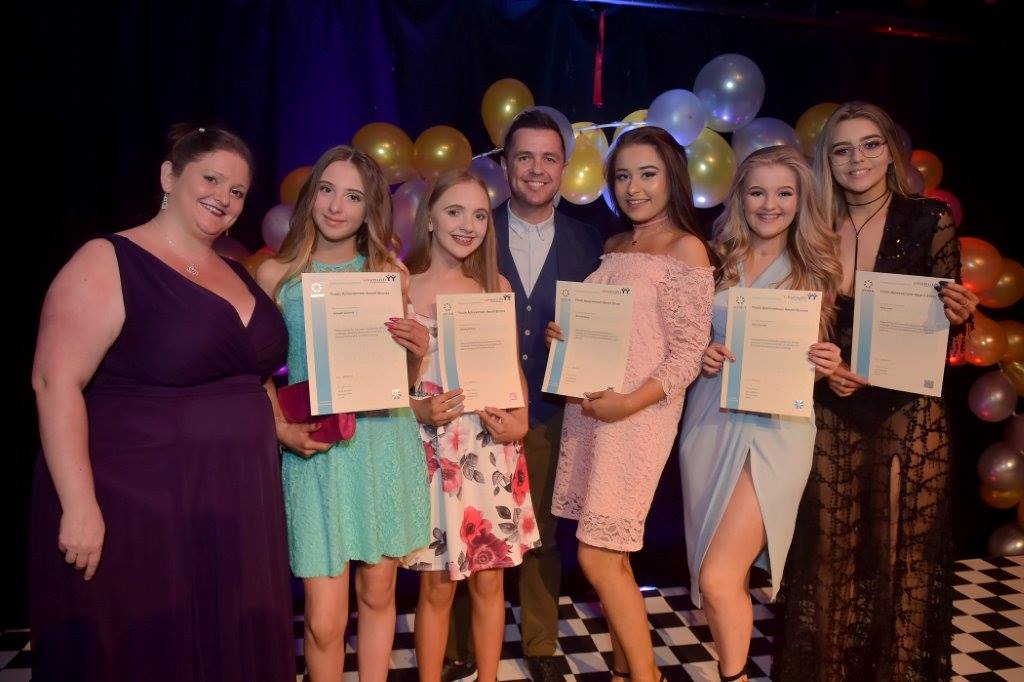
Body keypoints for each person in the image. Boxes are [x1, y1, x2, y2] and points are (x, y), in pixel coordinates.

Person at [29, 126, 295, 681]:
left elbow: (253, 377)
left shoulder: (236, 271)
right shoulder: (110, 259)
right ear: (169, 176)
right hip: (139, 502)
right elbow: (55, 382)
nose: (224, 197)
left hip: (235, 503)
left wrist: (284, 427)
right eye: (211, 179)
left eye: (238, 191)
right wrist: (79, 505)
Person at [774, 101, 979, 681]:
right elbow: (796, 323)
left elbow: (942, 329)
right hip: (832, 409)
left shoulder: (929, 219)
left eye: (869, 145)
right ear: (827, 161)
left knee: (902, 562)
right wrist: (823, 368)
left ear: (890, 151)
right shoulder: (811, 227)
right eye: (842, 149)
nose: (856, 159)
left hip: (908, 412)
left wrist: (959, 314)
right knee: (828, 558)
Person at [255, 145, 430, 681]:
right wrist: (279, 428)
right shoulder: (276, 275)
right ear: (310, 196)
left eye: (353, 196)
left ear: (369, 207)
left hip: (382, 444)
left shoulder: (389, 274)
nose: (336, 206)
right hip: (317, 453)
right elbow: (256, 372)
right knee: (324, 622)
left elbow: (401, 380)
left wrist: (418, 351)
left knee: (378, 594)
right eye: (327, 190)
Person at [550, 125, 714, 682]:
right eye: (622, 176)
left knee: (597, 555)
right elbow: (614, 331)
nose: (633, 187)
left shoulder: (687, 248)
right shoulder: (615, 245)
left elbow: (687, 354)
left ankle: (647, 676)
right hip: (591, 412)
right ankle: (625, 671)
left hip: (638, 417)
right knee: (610, 555)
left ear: (673, 178)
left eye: (648, 174)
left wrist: (628, 405)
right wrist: (564, 337)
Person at [444, 109, 603, 682]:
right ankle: (459, 646)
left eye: (549, 158)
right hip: (475, 413)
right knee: (469, 532)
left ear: (565, 167)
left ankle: (540, 643)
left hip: (554, 412)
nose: (536, 169)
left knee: (543, 535)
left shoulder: (591, 242)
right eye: (524, 157)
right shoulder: (473, 230)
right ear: (505, 165)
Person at [677, 145, 843, 681]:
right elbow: (682, 338)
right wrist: (702, 355)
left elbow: (825, 363)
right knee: (717, 574)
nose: (770, 204)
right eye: (757, 192)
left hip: (776, 429)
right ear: (740, 198)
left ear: (801, 200)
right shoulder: (714, 259)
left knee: (719, 576)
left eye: (784, 193)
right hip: (710, 418)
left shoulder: (817, 266)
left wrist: (827, 363)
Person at [401, 170, 541, 682]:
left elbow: (511, 369)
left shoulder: (494, 287)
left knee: (490, 582)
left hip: (489, 448)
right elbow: (385, 383)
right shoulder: (402, 286)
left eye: (479, 215)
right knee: (437, 585)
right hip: (433, 452)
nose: (468, 225)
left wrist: (521, 420)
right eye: (455, 212)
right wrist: (417, 408)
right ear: (430, 219)